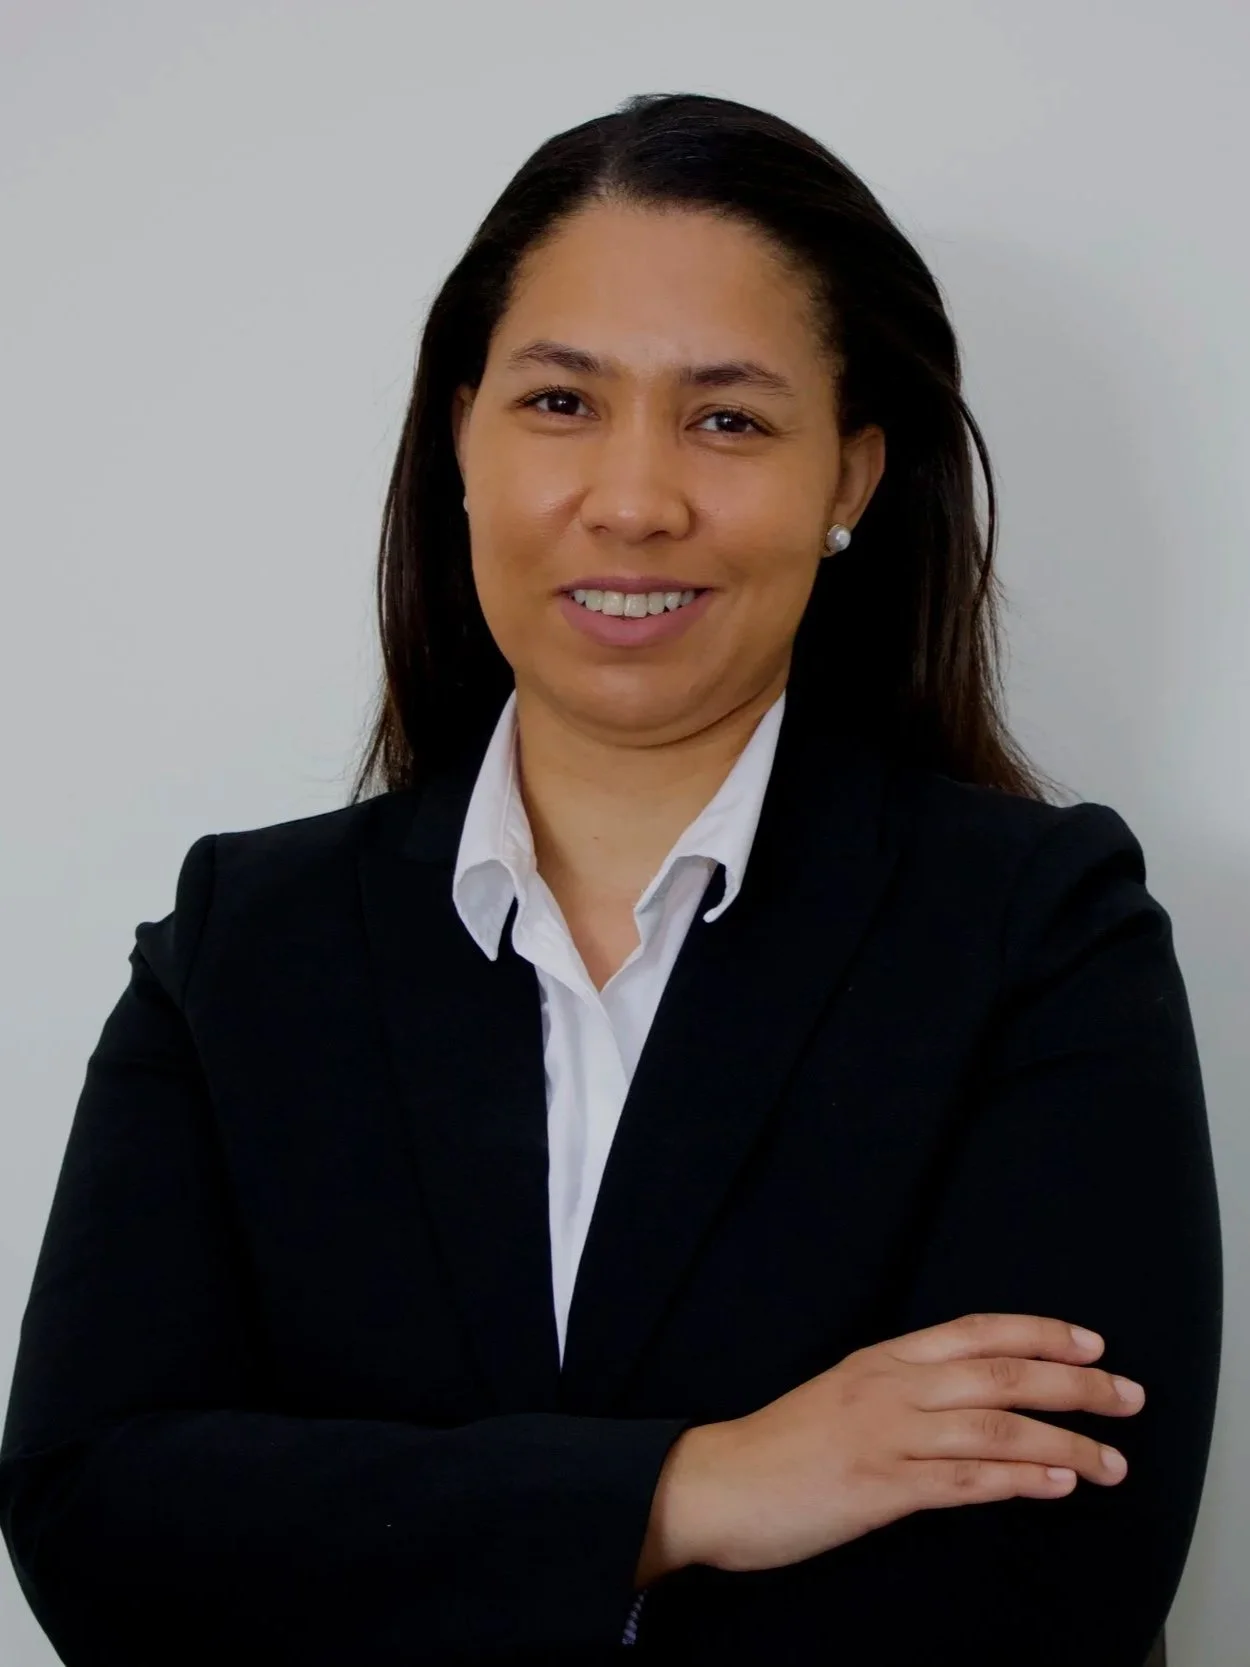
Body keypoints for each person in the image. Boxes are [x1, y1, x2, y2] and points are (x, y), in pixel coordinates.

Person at [0, 91, 1221, 1667]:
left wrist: (387, 1536)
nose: (634, 497)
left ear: (849, 474)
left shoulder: (1036, 932)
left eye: (727, 418)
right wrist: (691, 1486)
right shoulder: (244, 949)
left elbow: (1046, 1585)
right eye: (562, 402)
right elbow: (99, 1515)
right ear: (460, 434)